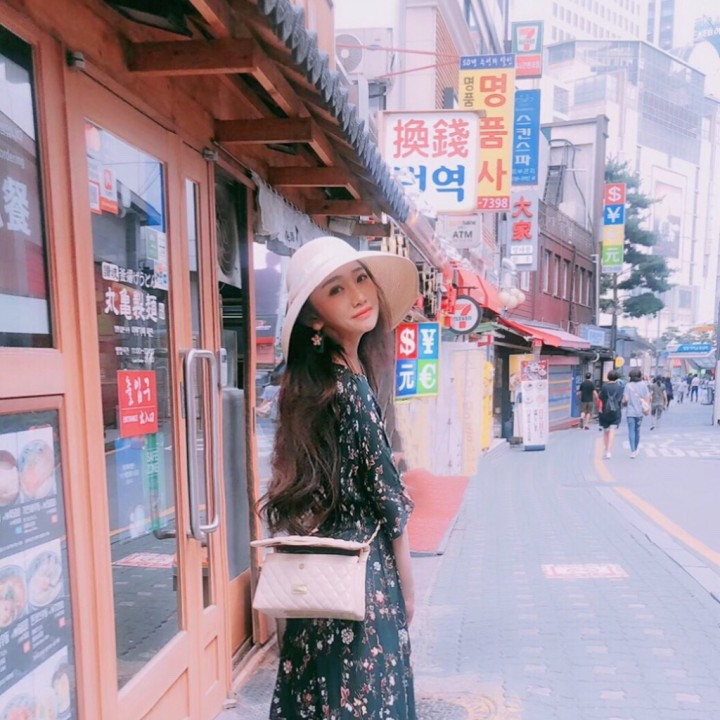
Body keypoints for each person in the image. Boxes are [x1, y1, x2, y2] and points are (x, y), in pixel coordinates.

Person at [261, 235, 419, 719]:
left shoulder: (321, 383)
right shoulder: (348, 388)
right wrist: (408, 588)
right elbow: (387, 500)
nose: (357, 295)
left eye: (360, 278)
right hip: (362, 580)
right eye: (335, 289)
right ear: (314, 318)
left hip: (325, 580)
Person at [623, 368, 651, 458]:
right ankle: (636, 447)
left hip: (630, 412)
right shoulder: (643, 385)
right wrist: (646, 408)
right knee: (637, 430)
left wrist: (624, 401)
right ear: (639, 376)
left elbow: (625, 399)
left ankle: (633, 451)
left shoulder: (628, 386)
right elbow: (647, 398)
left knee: (631, 431)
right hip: (639, 412)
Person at [598, 370, 623, 459]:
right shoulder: (619, 387)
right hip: (616, 411)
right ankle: (609, 451)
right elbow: (620, 399)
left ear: (608, 377)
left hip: (605, 411)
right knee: (612, 430)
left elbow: (600, 398)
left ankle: (606, 450)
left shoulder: (604, 387)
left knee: (606, 431)